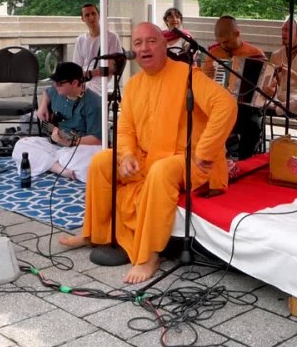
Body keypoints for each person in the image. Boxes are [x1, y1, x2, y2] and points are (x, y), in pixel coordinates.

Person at [59, 22, 237, 284]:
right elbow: (126, 128)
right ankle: (94, 233)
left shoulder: (188, 75)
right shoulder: (133, 85)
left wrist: (206, 151)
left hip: (192, 161)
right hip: (147, 157)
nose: (144, 48)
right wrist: (128, 155)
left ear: (165, 45)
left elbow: (226, 105)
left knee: (160, 170)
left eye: (151, 41)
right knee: (101, 161)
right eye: (138, 43)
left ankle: (150, 254)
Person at [12, 62, 103, 183]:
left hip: (79, 148)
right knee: (21, 145)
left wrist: (71, 141)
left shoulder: (94, 103)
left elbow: (97, 139)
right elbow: (47, 92)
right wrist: (43, 106)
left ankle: (49, 163)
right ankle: (58, 168)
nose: (56, 86)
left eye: (59, 83)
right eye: (54, 82)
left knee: (92, 163)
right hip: (55, 146)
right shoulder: (57, 91)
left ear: (75, 83)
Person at [201, 16, 267, 159]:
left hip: (247, 108)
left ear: (237, 34)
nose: (222, 46)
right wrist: (207, 74)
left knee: (252, 125)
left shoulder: (255, 53)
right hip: (220, 105)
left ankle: (245, 161)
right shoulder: (214, 54)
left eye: (226, 42)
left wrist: (270, 87)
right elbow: (202, 84)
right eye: (219, 42)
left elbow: (266, 86)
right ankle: (223, 158)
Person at [72, 3, 124, 97]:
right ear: (83, 19)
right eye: (87, 15)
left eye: (93, 13)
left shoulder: (111, 37)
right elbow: (76, 68)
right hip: (83, 80)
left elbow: (112, 67)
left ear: (99, 15)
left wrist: (92, 73)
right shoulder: (80, 40)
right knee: (56, 90)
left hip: (102, 81)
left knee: (83, 94)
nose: (91, 17)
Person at [265, 18, 297, 116]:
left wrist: (292, 74)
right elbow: (271, 81)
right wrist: (271, 87)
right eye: (282, 30)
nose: (283, 33)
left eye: (287, 30)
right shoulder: (276, 55)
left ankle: (278, 108)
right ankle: (280, 107)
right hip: (278, 96)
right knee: (256, 101)